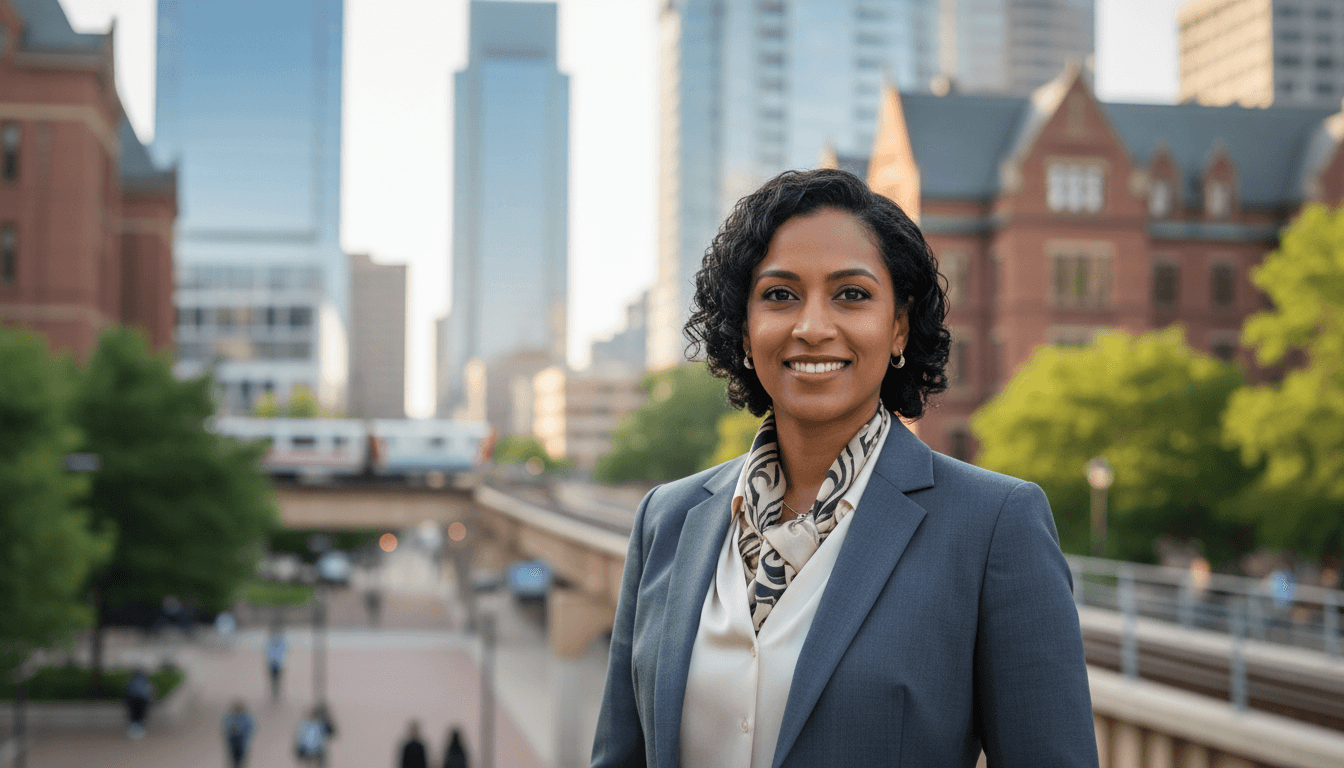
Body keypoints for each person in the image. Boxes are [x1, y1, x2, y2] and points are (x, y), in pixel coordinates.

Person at [589, 169, 1097, 767]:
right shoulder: (667, 520)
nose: (812, 327)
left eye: (851, 295)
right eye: (780, 295)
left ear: (899, 326)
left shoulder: (993, 526)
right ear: (746, 330)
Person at [222, 700, 256, 768]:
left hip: (242, 741)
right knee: (233, 758)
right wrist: (231, 731)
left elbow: (251, 728)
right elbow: (225, 727)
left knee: (241, 758)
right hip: (232, 741)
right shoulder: (230, 717)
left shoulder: (246, 717)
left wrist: (241, 732)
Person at [124, 668, 155, 739]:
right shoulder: (145, 680)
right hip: (142, 700)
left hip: (133, 699)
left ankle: (134, 728)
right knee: (140, 715)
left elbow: (127, 689)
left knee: (134, 715)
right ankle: (138, 728)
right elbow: (150, 690)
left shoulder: (132, 680)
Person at [266, 628, 287, 701]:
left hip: (275, 663)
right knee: (275, 679)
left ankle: (275, 691)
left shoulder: (272, 641)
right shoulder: (278, 642)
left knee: (275, 679)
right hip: (276, 663)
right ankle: (275, 690)